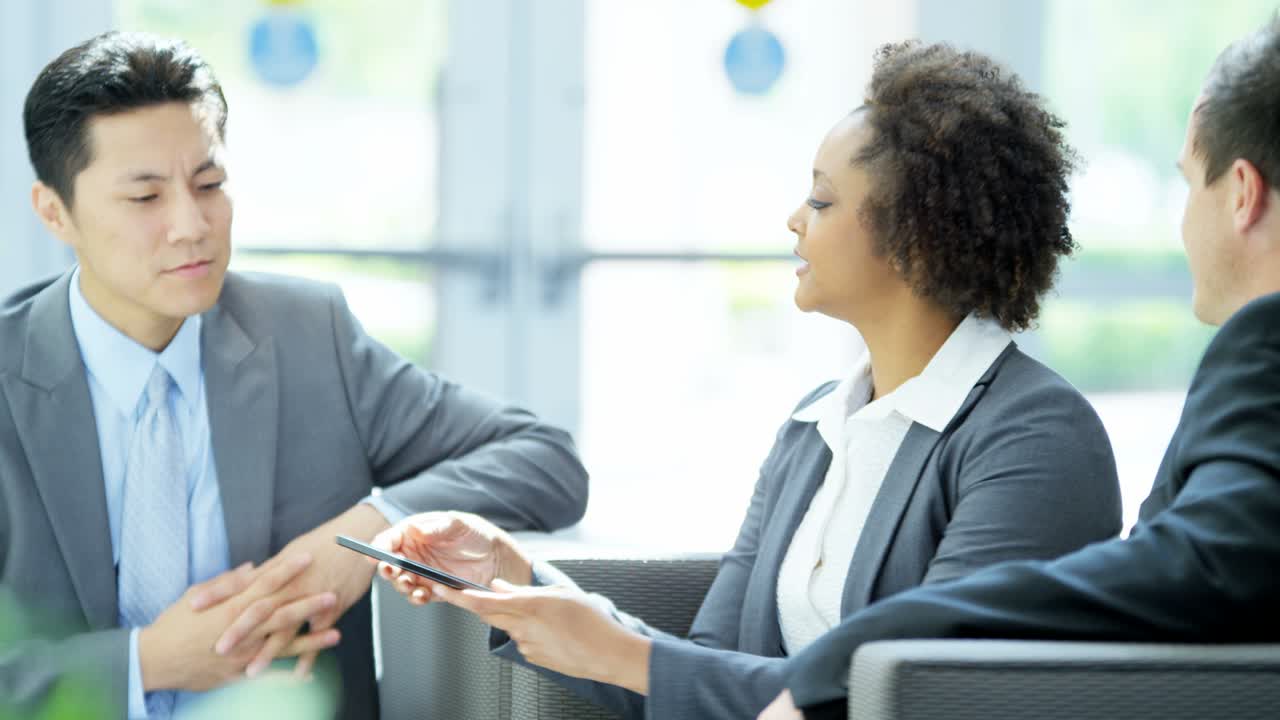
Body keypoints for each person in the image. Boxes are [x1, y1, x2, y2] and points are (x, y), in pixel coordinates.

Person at [372, 40, 1123, 720]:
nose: (794, 219)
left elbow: (923, 699)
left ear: (920, 235)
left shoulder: (1037, 442)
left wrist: (622, 653)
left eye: (823, 201)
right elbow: (707, 664)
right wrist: (520, 576)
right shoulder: (816, 425)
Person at [0, 31, 588, 720]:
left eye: (209, 184)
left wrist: (373, 531)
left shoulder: (308, 336)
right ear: (54, 211)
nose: (192, 225)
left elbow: (546, 461)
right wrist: (149, 662)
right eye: (145, 198)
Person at [753, 15, 1280, 719]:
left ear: (1242, 192)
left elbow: (1205, 562)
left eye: (1189, 186)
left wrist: (857, 644)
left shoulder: (1256, 351)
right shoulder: (816, 420)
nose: (1185, 224)